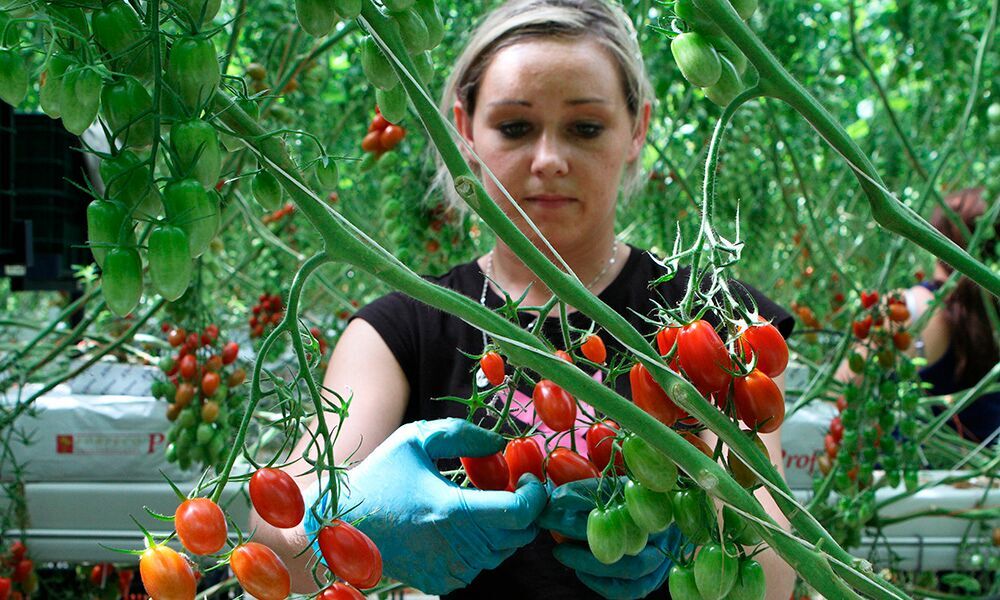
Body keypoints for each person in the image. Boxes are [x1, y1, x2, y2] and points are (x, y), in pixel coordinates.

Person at [251, 1, 796, 598]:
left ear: (637, 129)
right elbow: (277, 544)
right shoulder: (401, 330)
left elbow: (773, 576)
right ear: (463, 129)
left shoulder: (711, 316)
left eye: (585, 128)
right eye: (515, 127)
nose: (549, 160)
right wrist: (351, 513)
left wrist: (697, 532)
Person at [900, 188, 999, 444]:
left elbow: (843, 392)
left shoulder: (914, 308)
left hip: (919, 478)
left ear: (935, 238)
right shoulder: (992, 310)